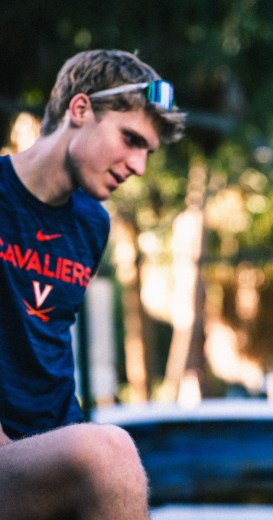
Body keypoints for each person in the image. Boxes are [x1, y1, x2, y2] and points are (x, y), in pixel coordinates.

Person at [0, 49, 185, 519]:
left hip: (52, 442)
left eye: (148, 151)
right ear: (79, 110)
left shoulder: (91, 224)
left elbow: (45, 342)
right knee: (107, 453)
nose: (139, 165)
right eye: (130, 139)